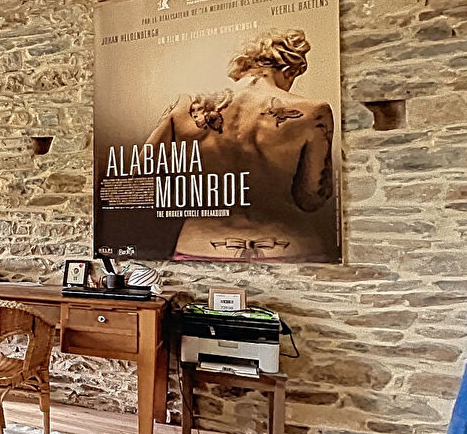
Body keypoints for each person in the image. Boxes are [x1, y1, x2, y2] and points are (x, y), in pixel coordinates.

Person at [144, 29, 336, 261]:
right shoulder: (312, 112)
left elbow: (140, 177)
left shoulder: (187, 104)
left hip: (200, 246)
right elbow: (311, 199)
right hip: (286, 248)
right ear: (289, 70)